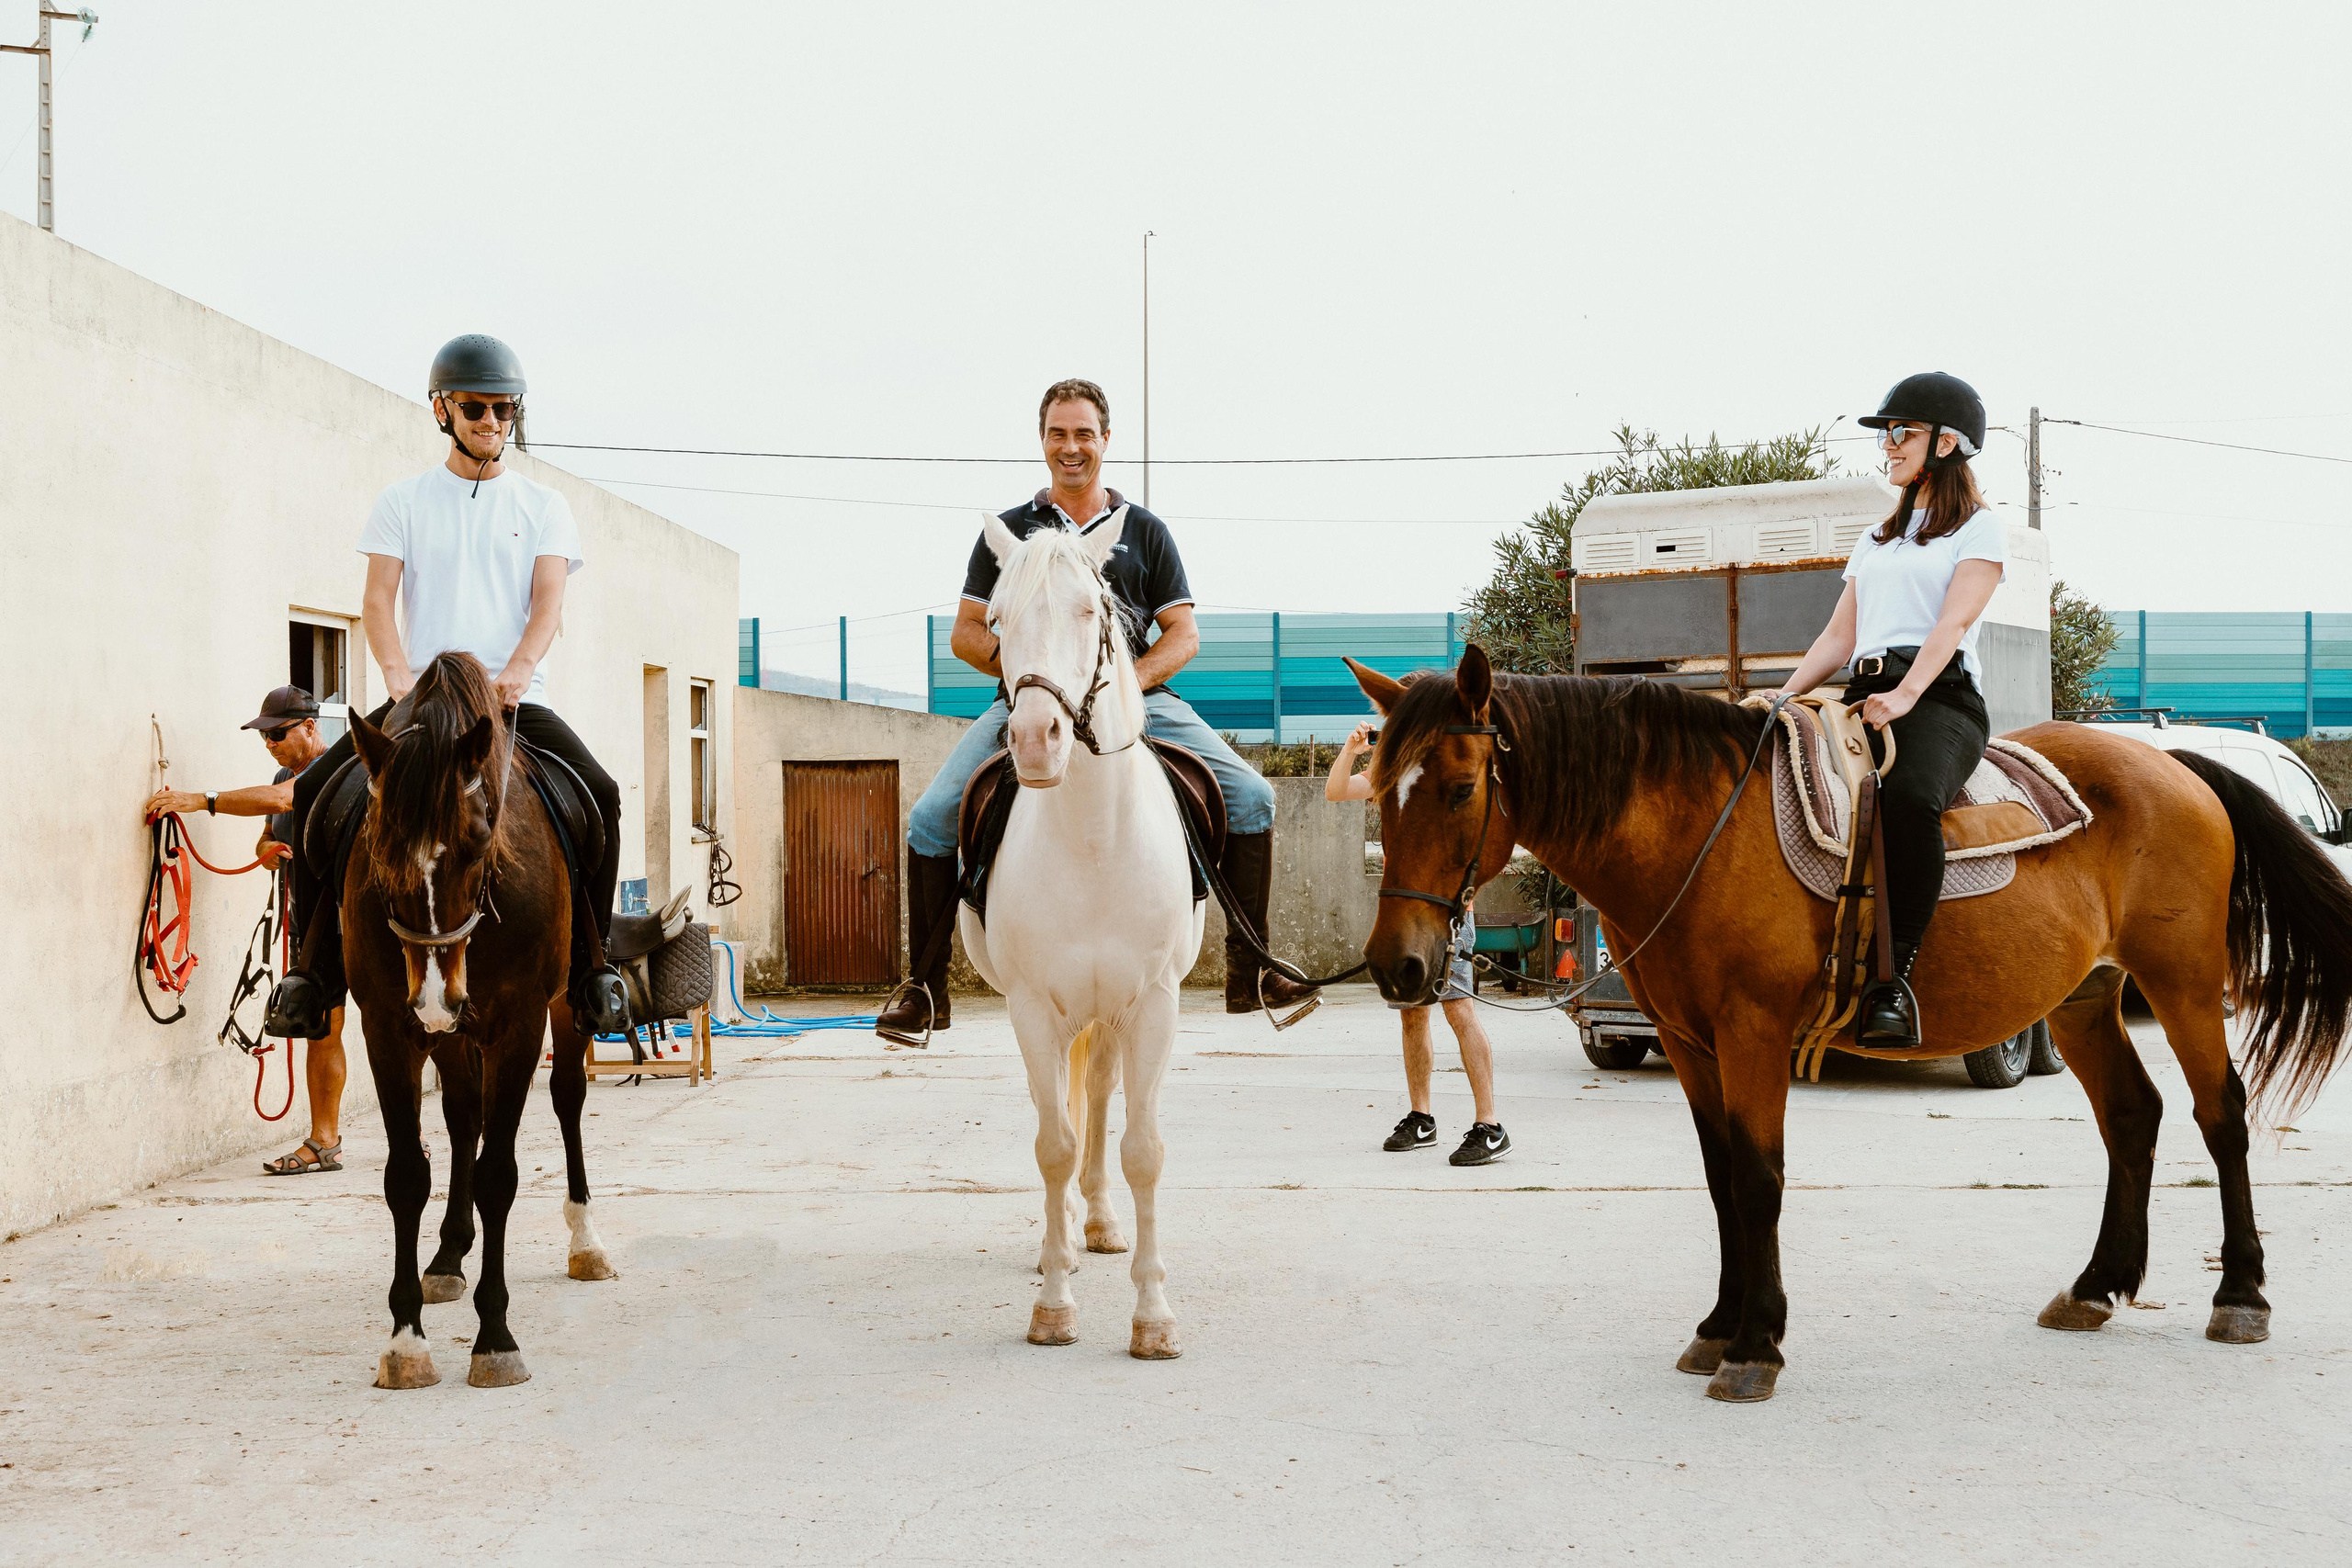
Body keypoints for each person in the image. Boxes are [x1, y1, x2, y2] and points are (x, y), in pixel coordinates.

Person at [875, 378, 1315, 1044]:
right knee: (930, 818)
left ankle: (1252, 968)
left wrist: (1124, 687)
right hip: (1027, 703)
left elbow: (1183, 635)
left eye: (1084, 433)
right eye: (1058, 433)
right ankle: (924, 991)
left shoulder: (1146, 532)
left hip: (1141, 702)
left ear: (1105, 440)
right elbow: (967, 631)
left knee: (1252, 796)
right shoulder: (1011, 531)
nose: (1071, 446)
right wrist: (1034, 677)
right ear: (1043, 440)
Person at [263, 334, 630, 1041]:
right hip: (421, 701)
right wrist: (400, 682)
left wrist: (517, 673)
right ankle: (314, 975)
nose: (491, 420)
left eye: (504, 408)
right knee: (311, 796)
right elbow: (377, 602)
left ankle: (594, 965)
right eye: (476, 407)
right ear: (442, 409)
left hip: (511, 701)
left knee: (603, 796)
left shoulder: (545, 504)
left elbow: (548, 603)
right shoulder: (402, 501)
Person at [1775, 371, 2007, 1045]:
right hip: (1862, 692)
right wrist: (1782, 696)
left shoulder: (1979, 530)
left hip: (1940, 698)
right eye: (1888, 435)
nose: (1890, 446)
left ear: (1947, 443)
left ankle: (1894, 982)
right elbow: (1839, 637)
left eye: (1902, 432)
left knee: (1906, 799)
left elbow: (1950, 628)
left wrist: (1906, 695)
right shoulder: (1876, 538)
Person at [145, 685, 352, 1173]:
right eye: (264, 736)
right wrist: (266, 853)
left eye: (278, 734)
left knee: (398, 1028)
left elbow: (282, 801)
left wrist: (200, 800)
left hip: (359, 916)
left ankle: (414, 1136)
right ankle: (324, 1142)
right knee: (322, 1028)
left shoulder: (343, 767)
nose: (270, 744)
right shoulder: (283, 773)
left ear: (309, 726)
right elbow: (269, 832)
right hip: (313, 923)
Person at [1326, 720, 1510, 1165]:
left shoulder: (1435, 778)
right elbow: (1335, 792)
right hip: (1407, 918)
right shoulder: (1393, 780)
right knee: (1412, 1016)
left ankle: (1490, 1125)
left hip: (1446, 915)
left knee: (1459, 1010)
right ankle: (1421, 1118)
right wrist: (1352, 749)